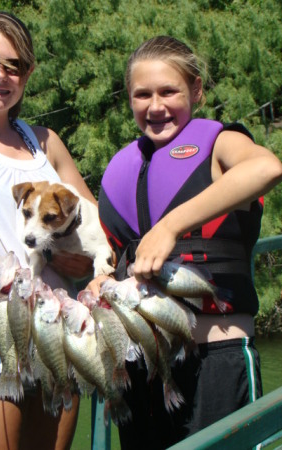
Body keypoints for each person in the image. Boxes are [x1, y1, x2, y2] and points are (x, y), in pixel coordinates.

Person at [88, 36, 282, 449]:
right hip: (140, 370)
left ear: (195, 90)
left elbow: (267, 167)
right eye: (142, 94)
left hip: (217, 359)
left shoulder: (221, 144)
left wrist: (170, 226)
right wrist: (101, 280)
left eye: (168, 91)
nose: (155, 106)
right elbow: (119, 260)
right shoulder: (121, 168)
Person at [0, 11, 95, 450]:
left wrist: (80, 258)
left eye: (14, 67)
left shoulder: (43, 141)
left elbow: (94, 218)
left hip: (58, 335)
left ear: (28, 74)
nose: (0, 76)